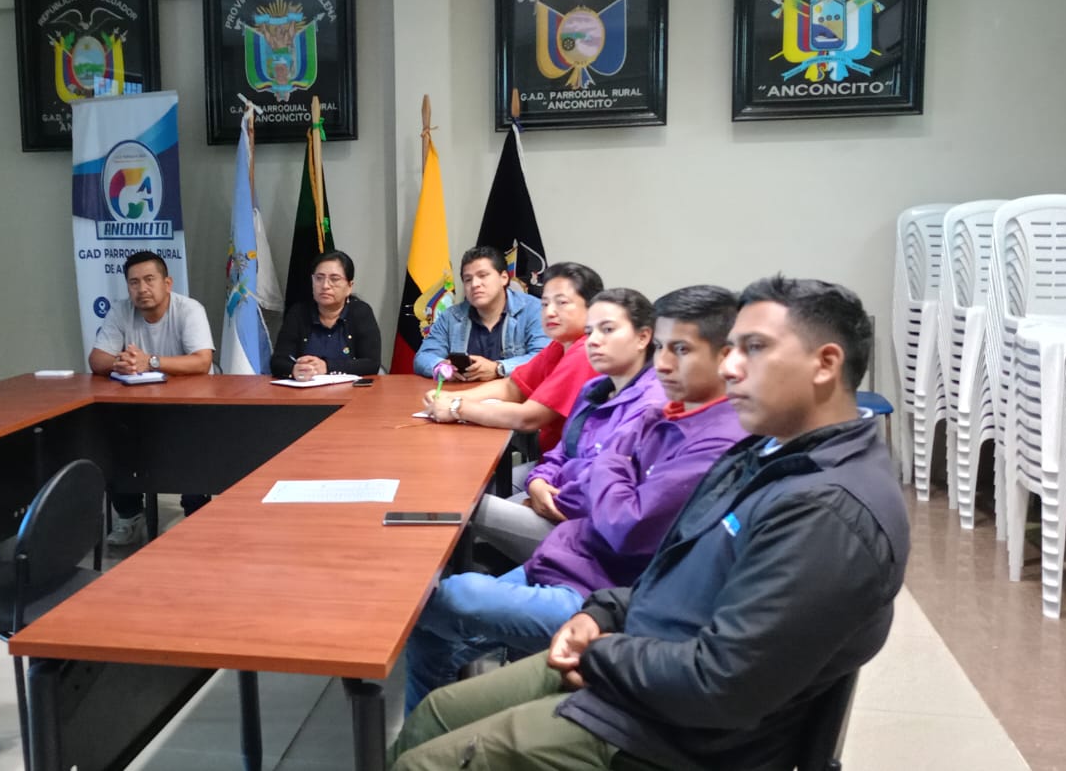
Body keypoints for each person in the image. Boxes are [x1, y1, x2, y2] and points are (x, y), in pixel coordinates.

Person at [388, 276, 910, 771]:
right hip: (635, 654)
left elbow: (722, 683)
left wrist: (602, 653)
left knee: (420, 761)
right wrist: (607, 611)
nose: (730, 367)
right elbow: (678, 567)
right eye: (731, 348)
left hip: (664, 731)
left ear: (825, 364)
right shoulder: (767, 450)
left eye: (753, 349)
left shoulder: (827, 510)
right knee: (435, 715)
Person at [405, 286, 745, 712]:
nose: (663, 363)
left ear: (726, 356)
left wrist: (605, 464)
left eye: (680, 349)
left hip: (602, 589)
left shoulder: (696, 428)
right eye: (662, 348)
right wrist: (553, 477)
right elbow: (563, 456)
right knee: (429, 634)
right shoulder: (640, 400)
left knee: (442, 594)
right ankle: (434, 716)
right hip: (570, 552)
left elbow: (623, 522)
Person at [472, 288, 666, 565]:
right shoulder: (595, 389)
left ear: (643, 337)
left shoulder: (651, 406)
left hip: (587, 531)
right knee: (474, 502)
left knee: (466, 507)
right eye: (590, 332)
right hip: (553, 498)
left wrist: (548, 498)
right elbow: (562, 451)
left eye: (607, 330)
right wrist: (537, 481)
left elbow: (606, 485)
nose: (593, 341)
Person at [89, 251, 215, 544]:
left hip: (189, 407)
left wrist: (152, 362)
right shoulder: (121, 311)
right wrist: (121, 363)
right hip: (139, 407)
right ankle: (130, 515)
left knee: (192, 443)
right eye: (134, 283)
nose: (142, 289)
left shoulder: (189, 310)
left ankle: (195, 516)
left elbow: (202, 361)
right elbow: (96, 359)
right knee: (110, 436)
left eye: (149, 280)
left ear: (167, 283)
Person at [422, 263, 603, 453]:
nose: (549, 312)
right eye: (545, 304)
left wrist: (457, 408)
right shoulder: (560, 345)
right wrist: (451, 396)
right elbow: (512, 387)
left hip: (570, 466)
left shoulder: (586, 352)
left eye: (562, 302)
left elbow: (529, 418)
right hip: (554, 458)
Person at [413, 246, 549, 381]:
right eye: (468, 279)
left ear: (504, 278)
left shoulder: (534, 310)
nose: (474, 284)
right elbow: (423, 357)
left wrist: (498, 369)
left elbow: (545, 358)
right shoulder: (451, 316)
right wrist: (441, 367)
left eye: (483, 276)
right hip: (465, 393)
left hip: (516, 393)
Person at [271, 250, 383, 379]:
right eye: (319, 278)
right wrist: (294, 369)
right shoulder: (299, 312)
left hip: (350, 389)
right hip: (305, 389)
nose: (325, 286)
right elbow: (277, 361)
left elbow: (371, 364)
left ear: (349, 286)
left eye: (334, 279)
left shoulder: (360, 312)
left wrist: (327, 367)